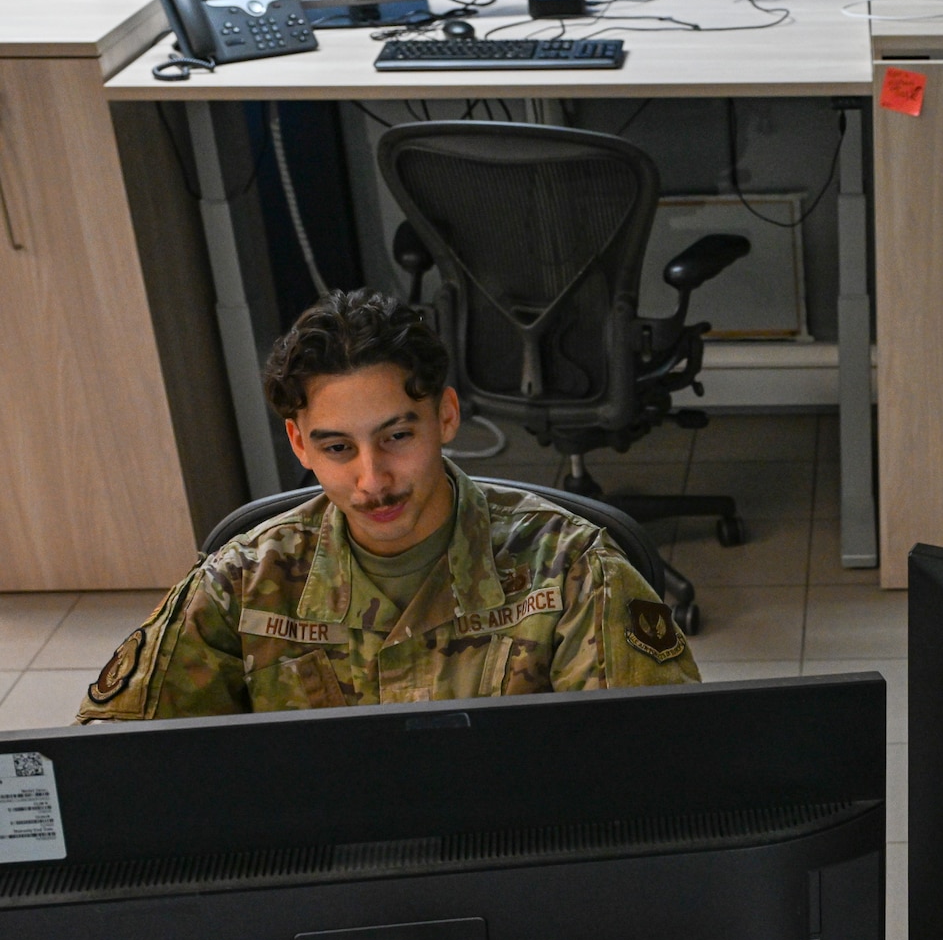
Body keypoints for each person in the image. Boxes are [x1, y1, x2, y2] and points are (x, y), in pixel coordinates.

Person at [78, 289, 699, 722]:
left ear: (446, 417)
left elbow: (655, 761)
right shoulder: (242, 583)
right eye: (338, 447)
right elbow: (116, 758)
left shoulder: (569, 568)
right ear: (300, 445)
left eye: (398, 437)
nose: (373, 479)